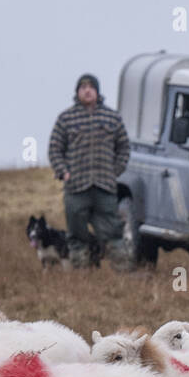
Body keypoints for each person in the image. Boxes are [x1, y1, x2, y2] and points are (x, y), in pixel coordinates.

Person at [47, 73, 131, 268]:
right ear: (77, 92)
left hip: (104, 186)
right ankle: (82, 278)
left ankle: (123, 275)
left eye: (91, 87)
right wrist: (63, 172)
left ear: (97, 91)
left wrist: (115, 171)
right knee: (77, 236)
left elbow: (124, 147)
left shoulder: (111, 117)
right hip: (76, 187)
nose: (87, 90)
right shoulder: (66, 118)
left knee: (113, 233)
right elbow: (54, 149)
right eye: (83, 87)